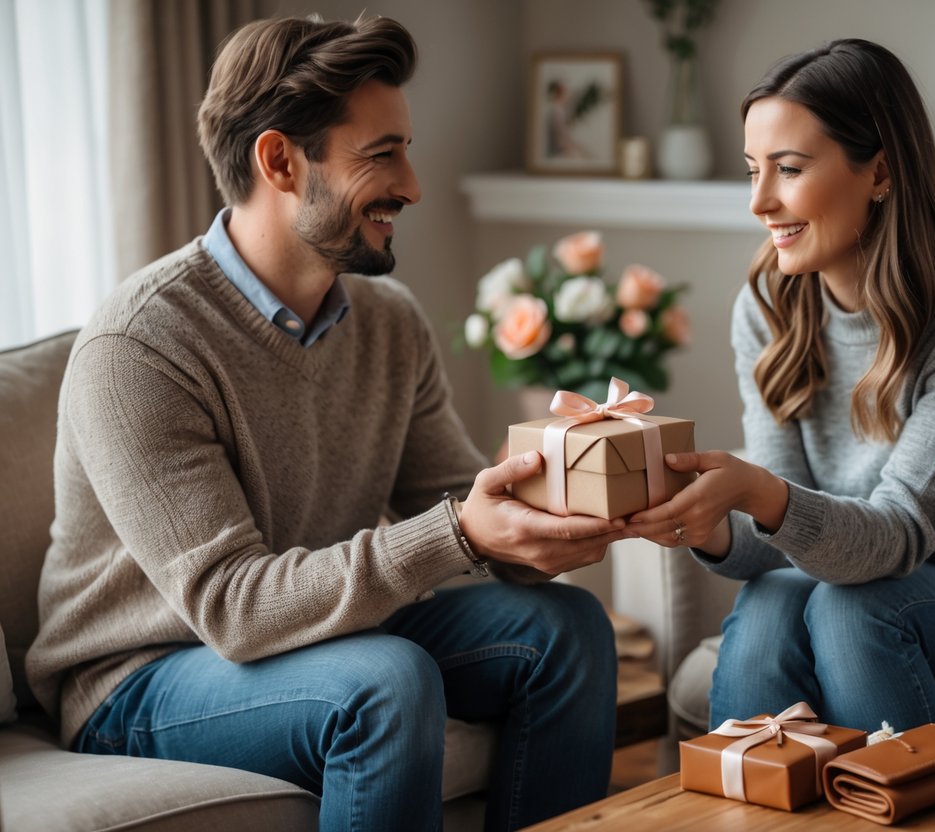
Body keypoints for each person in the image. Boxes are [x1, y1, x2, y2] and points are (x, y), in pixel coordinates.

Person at [26, 15, 624, 832]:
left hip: (315, 632)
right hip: (142, 674)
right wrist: (462, 533)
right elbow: (233, 607)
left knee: (569, 630)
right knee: (387, 681)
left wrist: (573, 492)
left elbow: (461, 505)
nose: (412, 185)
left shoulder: (388, 321)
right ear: (279, 160)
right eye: (383, 154)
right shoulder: (141, 345)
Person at [626, 39, 935, 734]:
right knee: (774, 598)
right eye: (752, 171)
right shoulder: (768, 304)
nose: (759, 202)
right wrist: (706, 524)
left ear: (881, 171)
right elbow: (774, 541)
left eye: (789, 169)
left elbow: (895, 539)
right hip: (837, 583)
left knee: (850, 604)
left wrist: (754, 491)